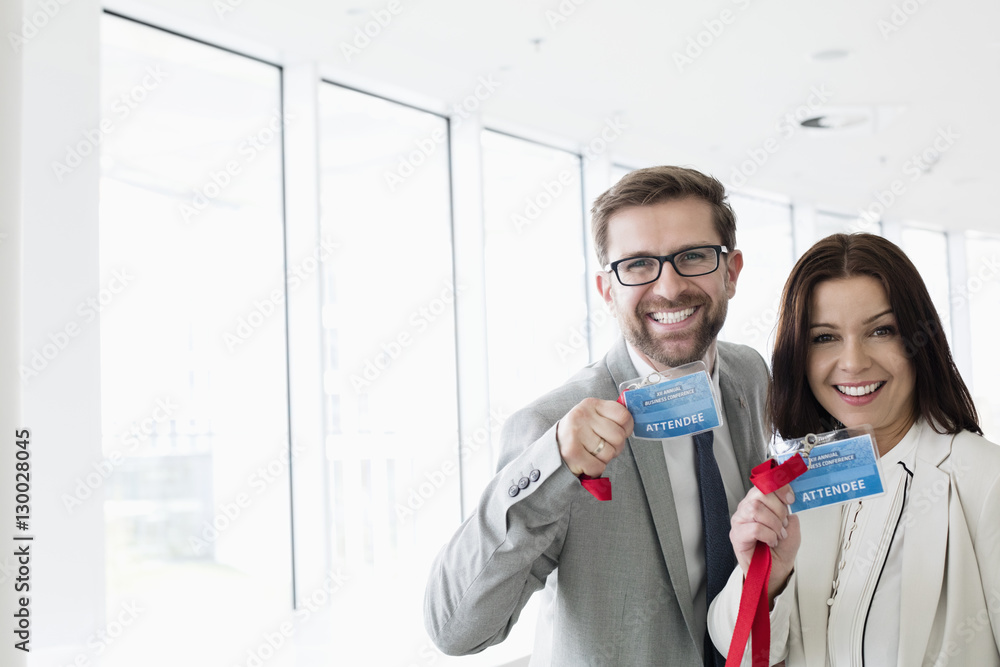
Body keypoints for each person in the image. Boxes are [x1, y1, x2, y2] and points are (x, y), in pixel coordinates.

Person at [424, 166, 771, 666]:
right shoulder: (550, 425)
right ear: (607, 289)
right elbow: (455, 630)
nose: (669, 288)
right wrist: (554, 464)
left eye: (693, 256)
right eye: (637, 265)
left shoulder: (749, 374)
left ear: (731, 272)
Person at [708, 233, 1000, 666]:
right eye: (824, 337)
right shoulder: (796, 484)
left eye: (882, 330)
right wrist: (765, 576)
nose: (853, 362)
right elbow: (746, 652)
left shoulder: (983, 477)